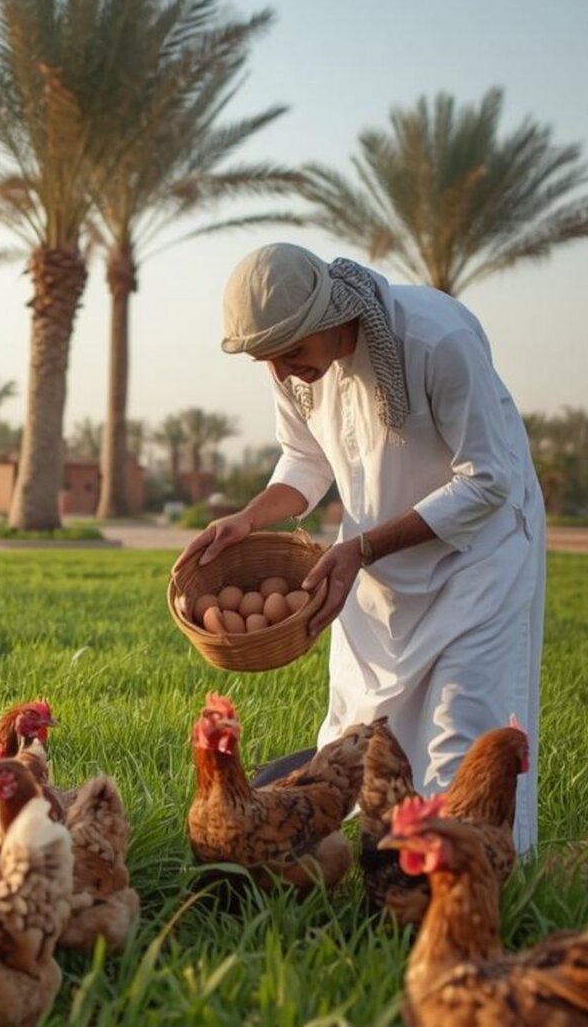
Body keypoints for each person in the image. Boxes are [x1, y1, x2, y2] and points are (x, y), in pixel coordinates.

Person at [175, 243, 544, 852]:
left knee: (460, 737)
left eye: (293, 352)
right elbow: (306, 460)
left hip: (478, 558)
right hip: (372, 566)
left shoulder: (435, 338)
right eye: (271, 361)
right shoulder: (292, 367)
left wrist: (363, 547)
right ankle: (368, 881)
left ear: (330, 314)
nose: (287, 371)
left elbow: (488, 479)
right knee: (361, 736)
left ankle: (468, 889)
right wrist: (246, 519)